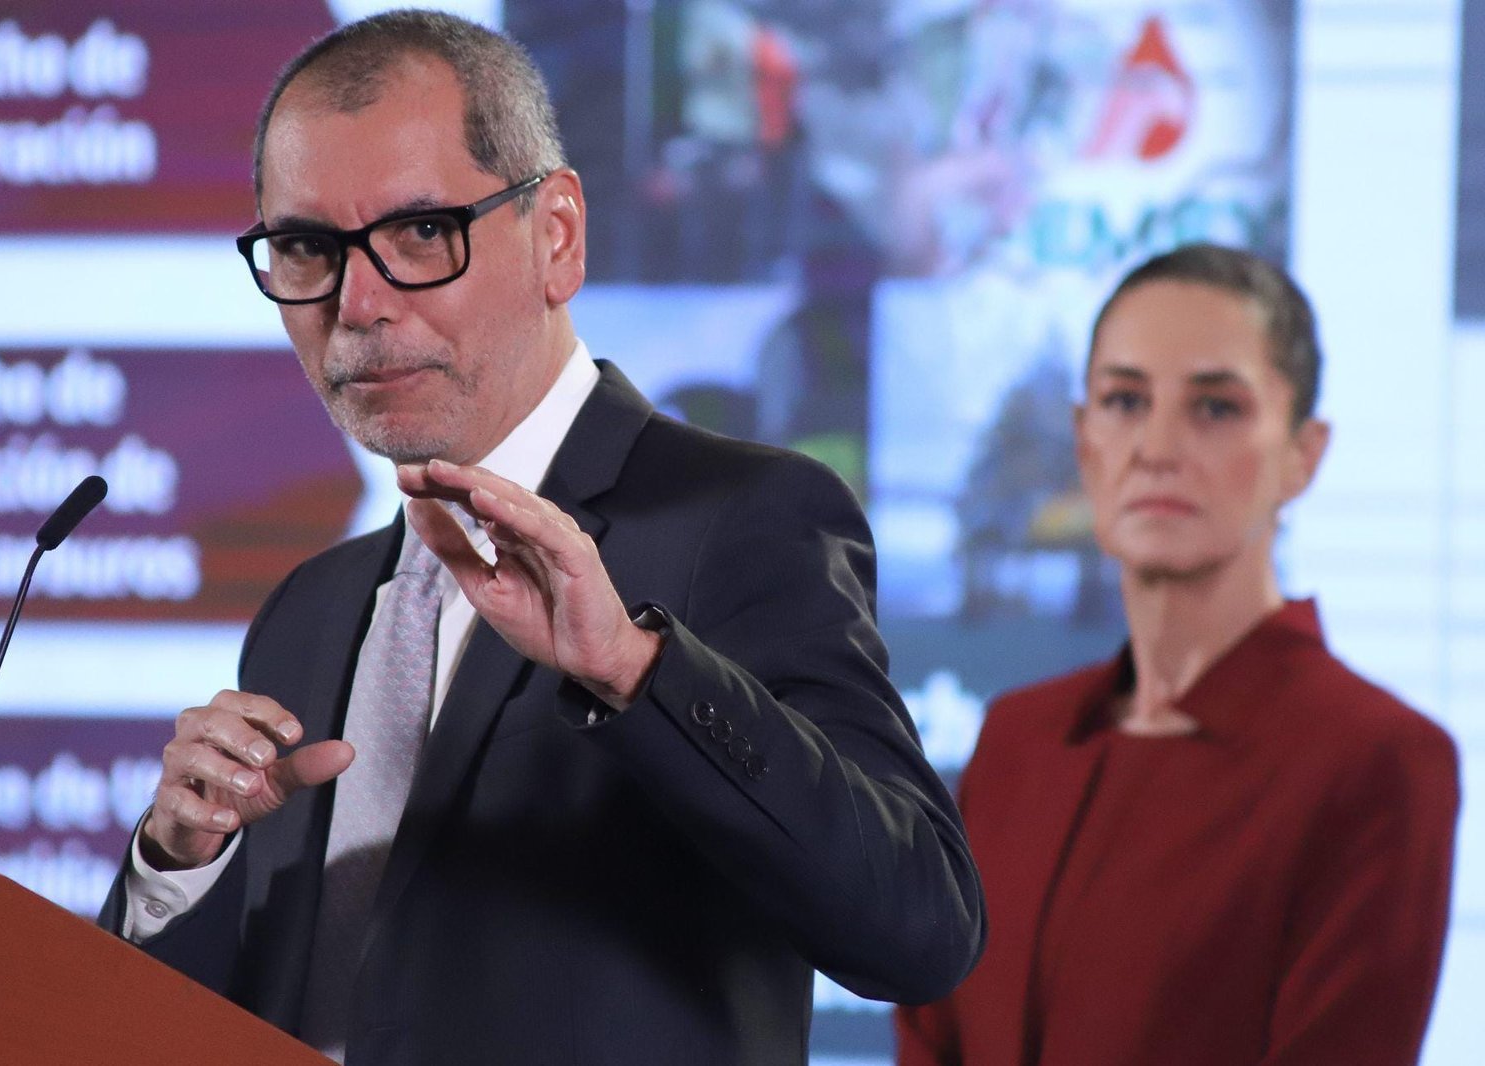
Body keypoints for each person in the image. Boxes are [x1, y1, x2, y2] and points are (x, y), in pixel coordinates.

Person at [97, 10, 984, 1066]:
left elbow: (919, 927)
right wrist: (176, 865)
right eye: (305, 248)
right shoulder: (309, 608)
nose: (357, 303)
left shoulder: (745, 518)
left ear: (555, 235)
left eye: (421, 233)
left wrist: (638, 670)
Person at [894, 243, 1460, 1065]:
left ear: (1303, 454)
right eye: (1125, 401)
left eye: (1216, 407)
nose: (1156, 446)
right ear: (1085, 442)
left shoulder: (1378, 760)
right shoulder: (1018, 738)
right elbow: (929, 1030)